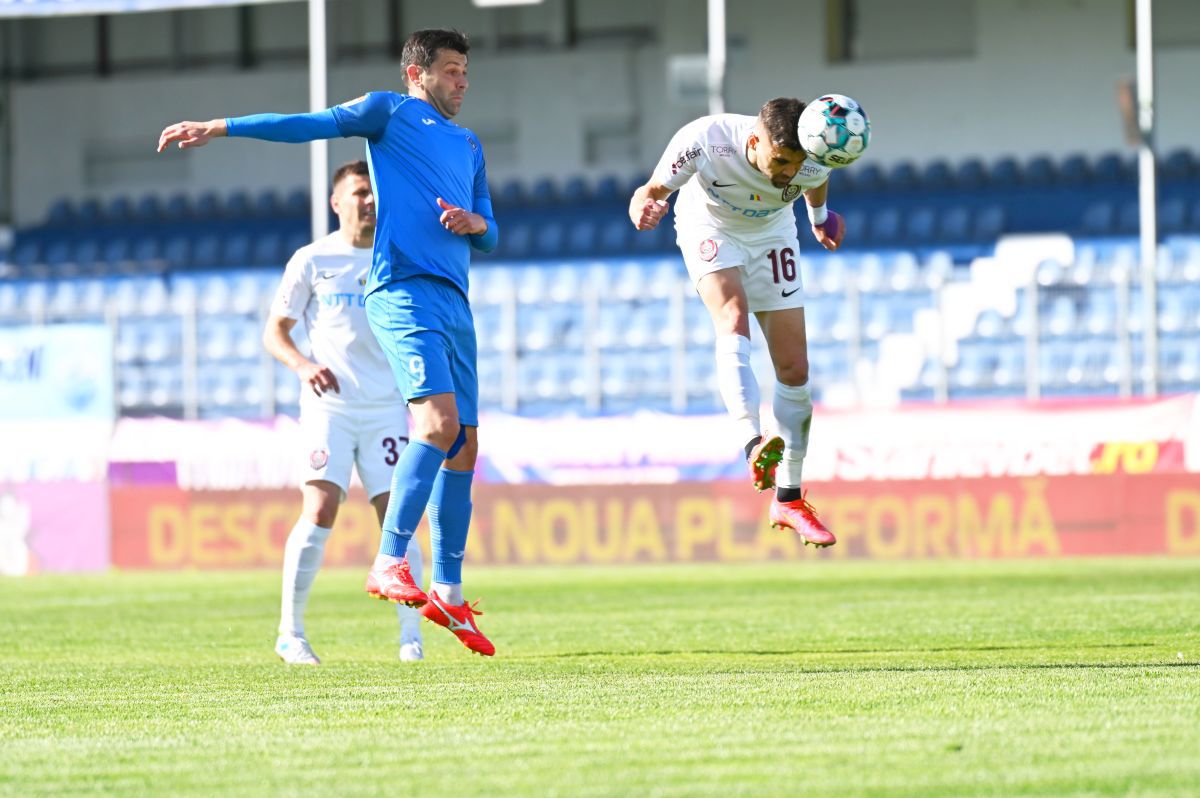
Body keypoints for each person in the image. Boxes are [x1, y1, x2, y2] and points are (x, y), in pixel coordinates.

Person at [158, 28, 498, 656]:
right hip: (402, 290)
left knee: (466, 445)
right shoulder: (387, 112)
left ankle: (447, 589)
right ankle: (388, 560)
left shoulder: (470, 144)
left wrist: (478, 223)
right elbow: (304, 124)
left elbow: (489, 230)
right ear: (416, 74)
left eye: (465, 72)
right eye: (451, 71)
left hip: (455, 299)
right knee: (436, 424)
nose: (462, 83)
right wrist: (223, 127)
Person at [628, 97, 849, 548]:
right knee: (732, 315)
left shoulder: (811, 155)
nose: (789, 171)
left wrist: (819, 218)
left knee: (795, 369)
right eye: (780, 161)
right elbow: (649, 191)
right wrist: (643, 208)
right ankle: (753, 445)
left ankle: (788, 499)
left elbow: (816, 180)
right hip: (710, 228)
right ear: (754, 141)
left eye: (797, 163)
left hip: (773, 235)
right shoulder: (705, 140)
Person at [265, 160, 424, 665]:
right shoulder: (312, 260)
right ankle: (290, 634)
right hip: (328, 408)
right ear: (337, 203)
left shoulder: (396, 256)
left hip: (384, 409)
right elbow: (275, 332)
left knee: (397, 519)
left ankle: (410, 639)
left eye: (374, 192)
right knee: (320, 510)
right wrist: (302, 365)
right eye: (359, 192)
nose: (369, 200)